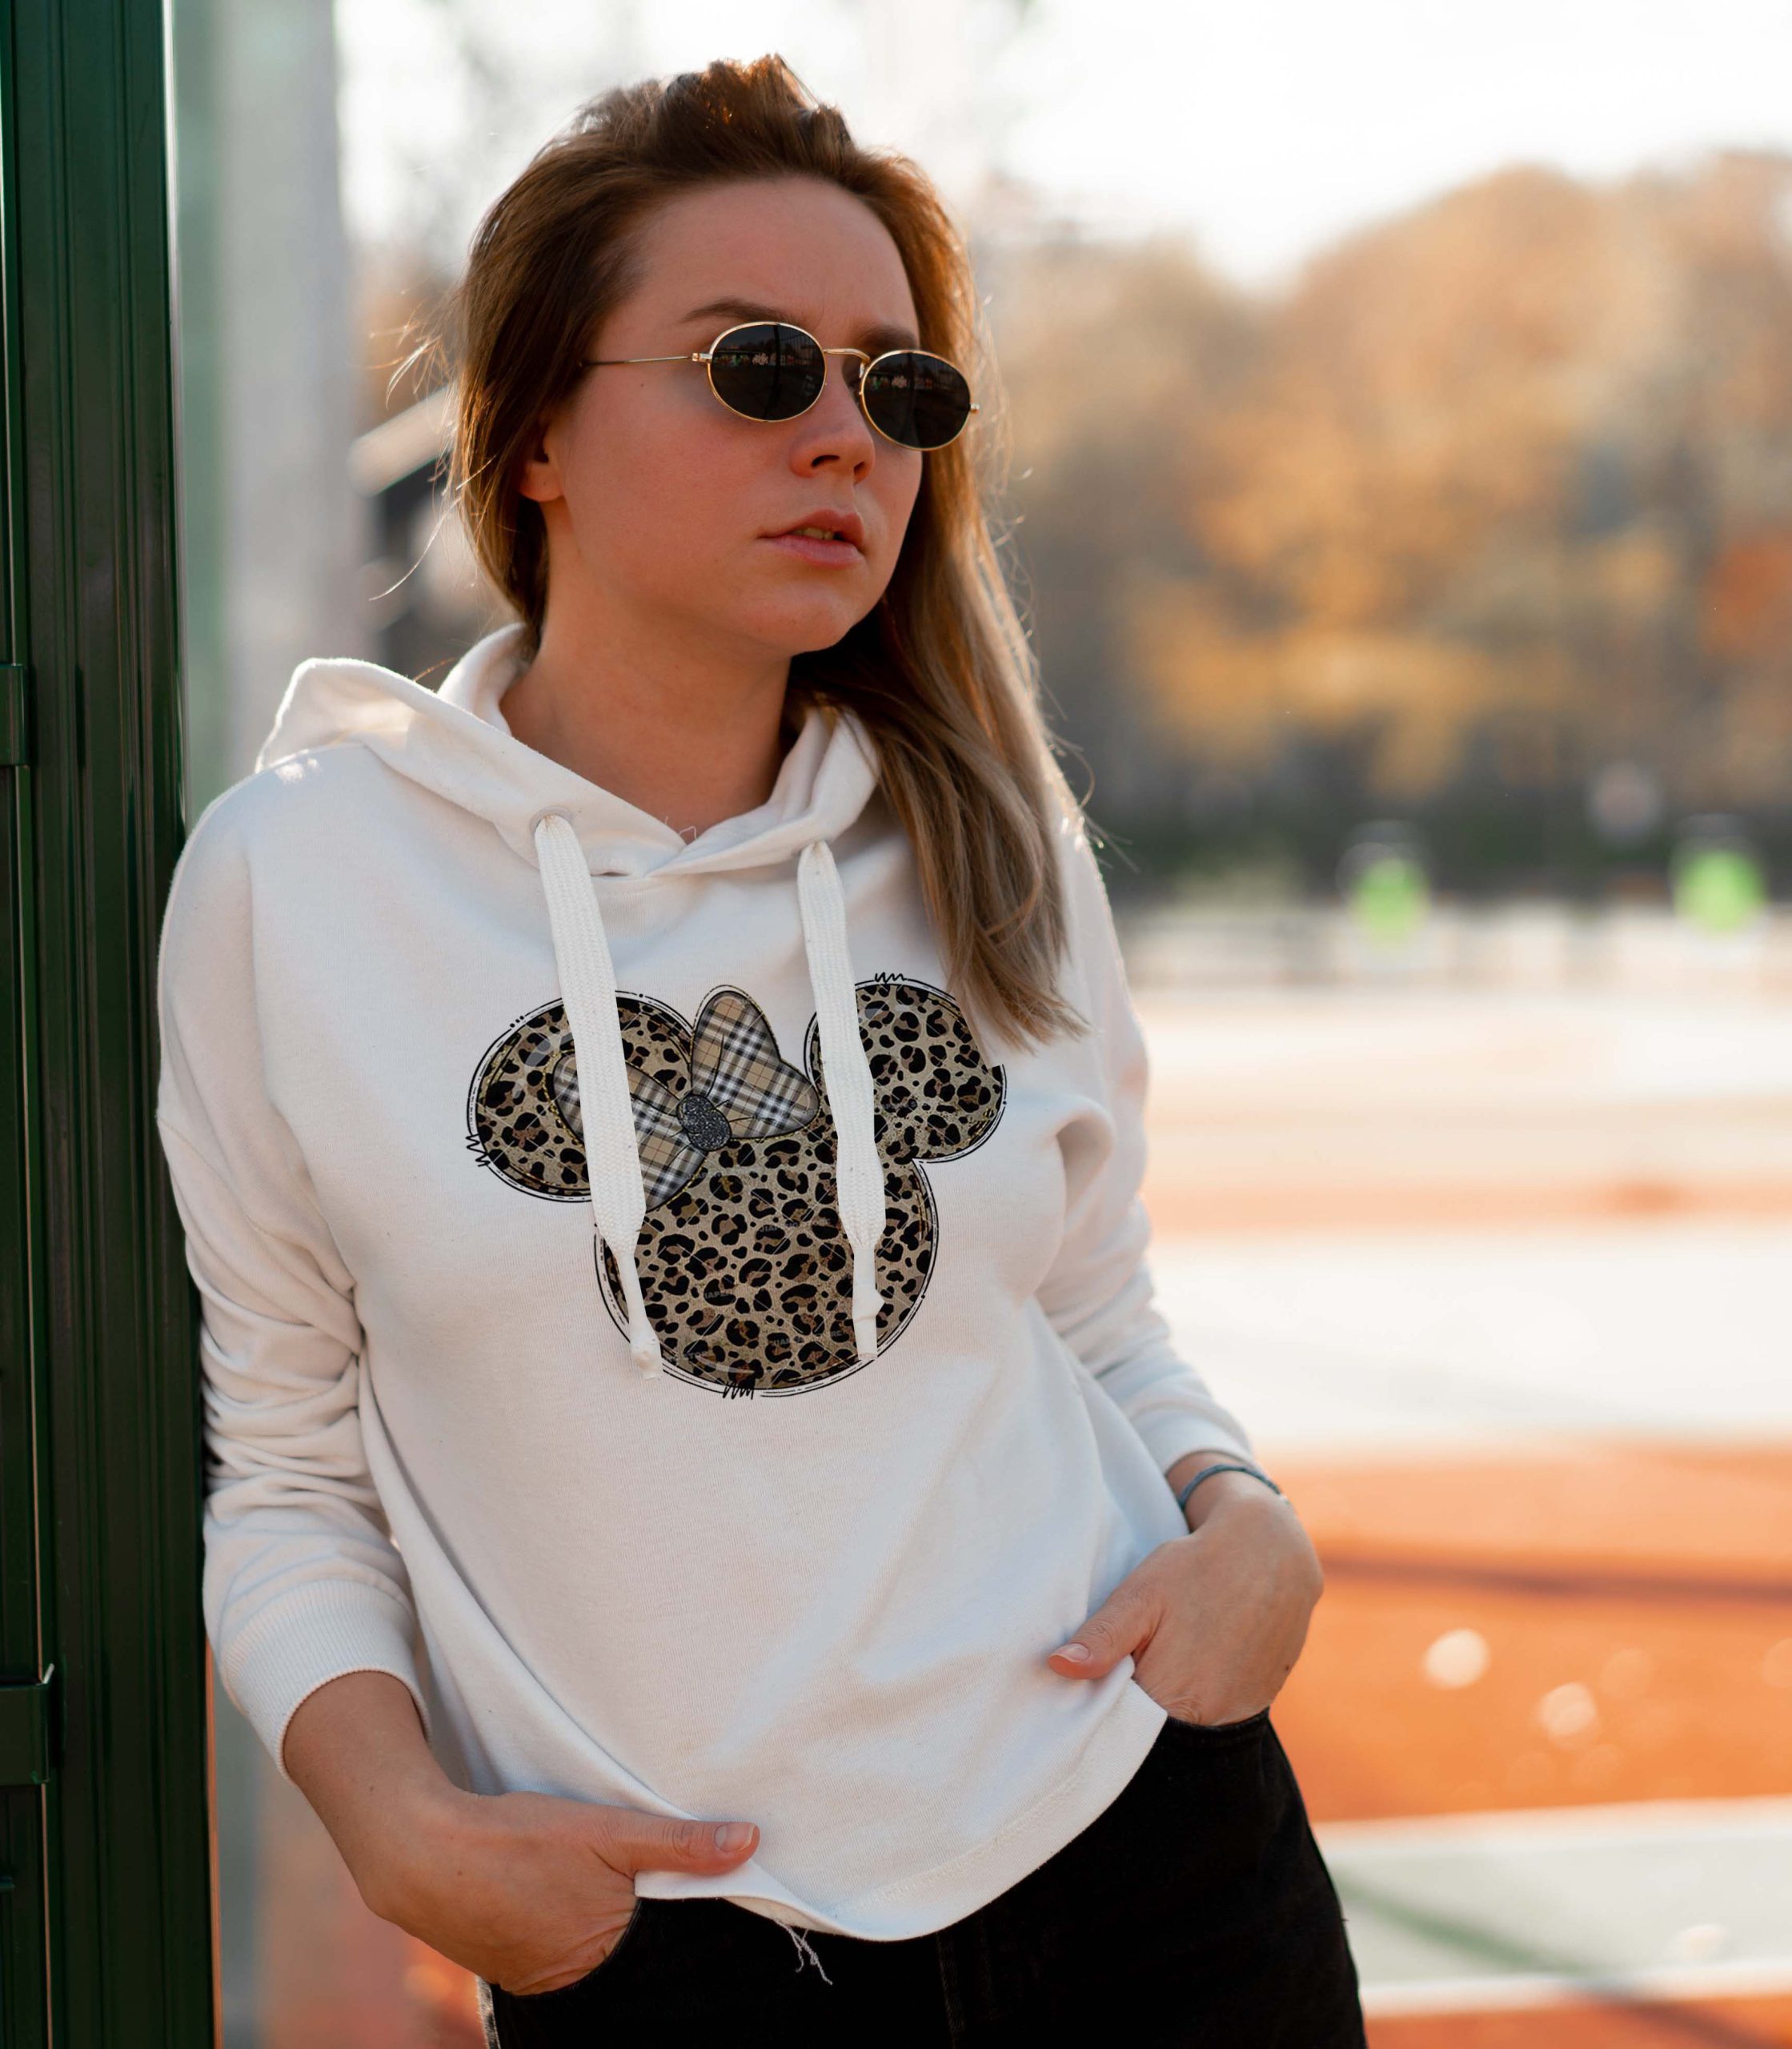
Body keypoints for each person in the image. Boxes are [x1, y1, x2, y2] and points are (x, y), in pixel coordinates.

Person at [155, 53, 1365, 2047]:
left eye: (900, 388)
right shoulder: (298, 880)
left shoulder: (986, 830)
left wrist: (1245, 1515)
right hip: (678, 1938)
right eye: (754, 369)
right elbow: (285, 1461)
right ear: (531, 429)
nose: (846, 440)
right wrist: (387, 1819)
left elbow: (1093, 1306)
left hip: (1155, 1855)